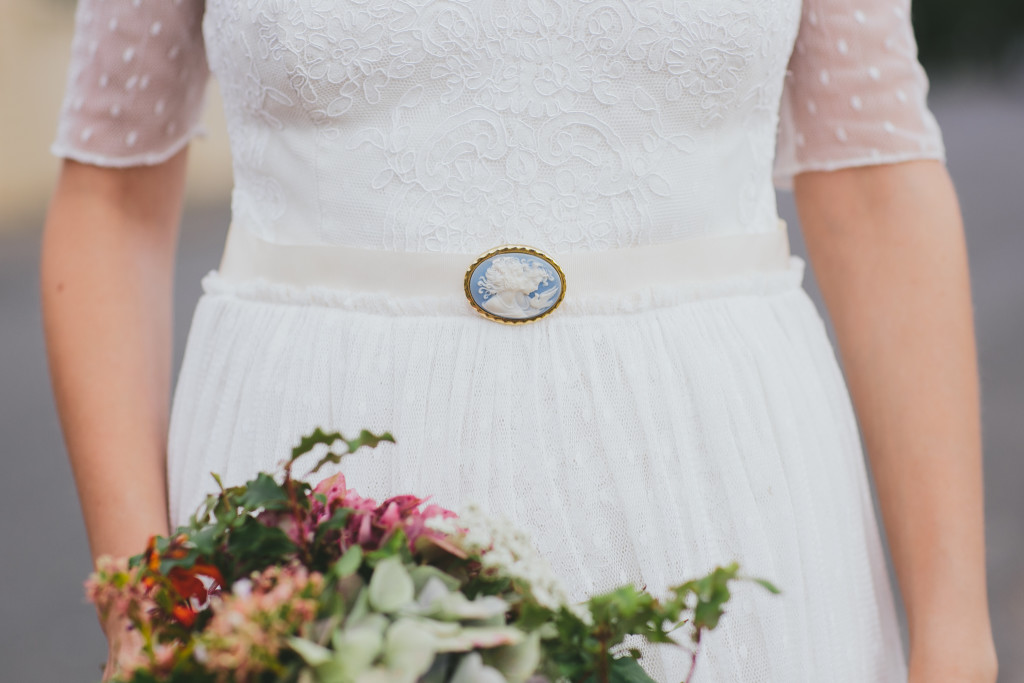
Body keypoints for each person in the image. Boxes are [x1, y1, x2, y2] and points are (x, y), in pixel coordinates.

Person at [41, 1, 996, 681]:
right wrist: (147, 603)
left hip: (724, 483)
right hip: (310, 499)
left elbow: (875, 181)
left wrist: (956, 635)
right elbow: (112, 195)